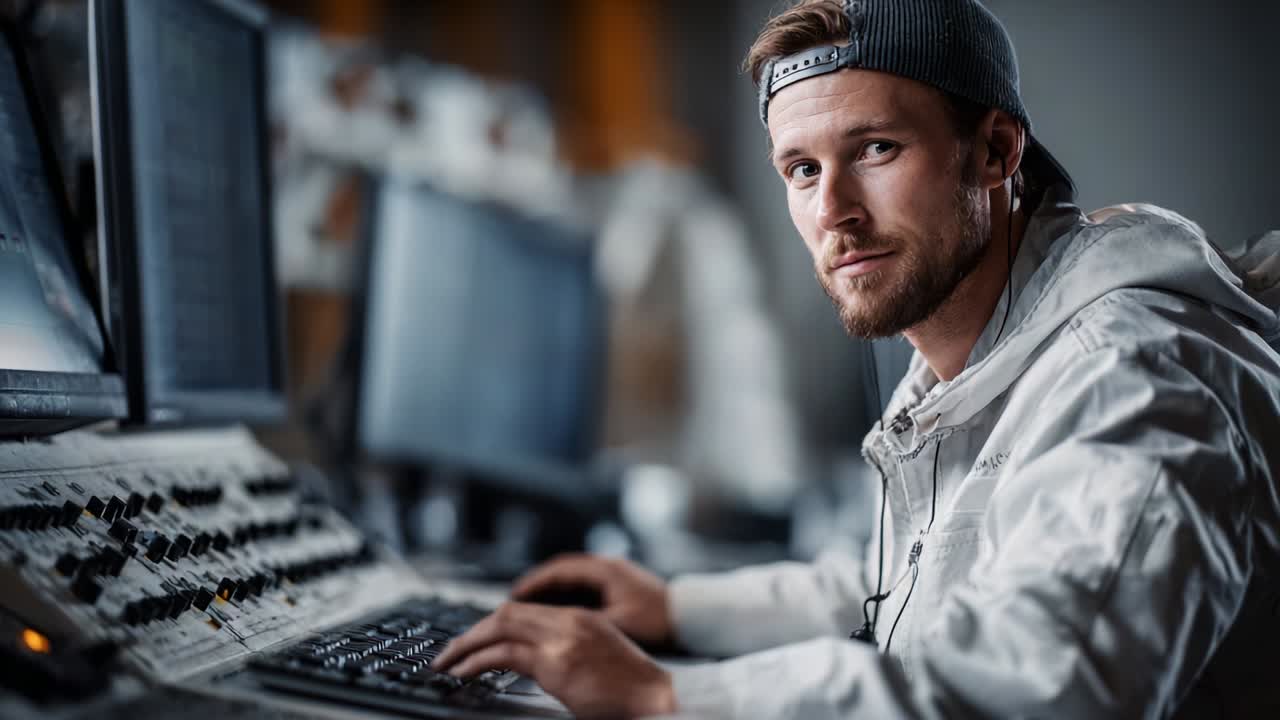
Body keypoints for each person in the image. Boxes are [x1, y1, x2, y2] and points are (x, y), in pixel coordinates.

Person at [433, 0, 1280, 717]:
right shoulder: (985, 346)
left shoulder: (1129, 375)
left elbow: (1040, 686)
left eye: (876, 149)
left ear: (995, 153)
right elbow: (919, 588)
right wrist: (673, 607)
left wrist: (666, 698)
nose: (833, 210)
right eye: (802, 169)